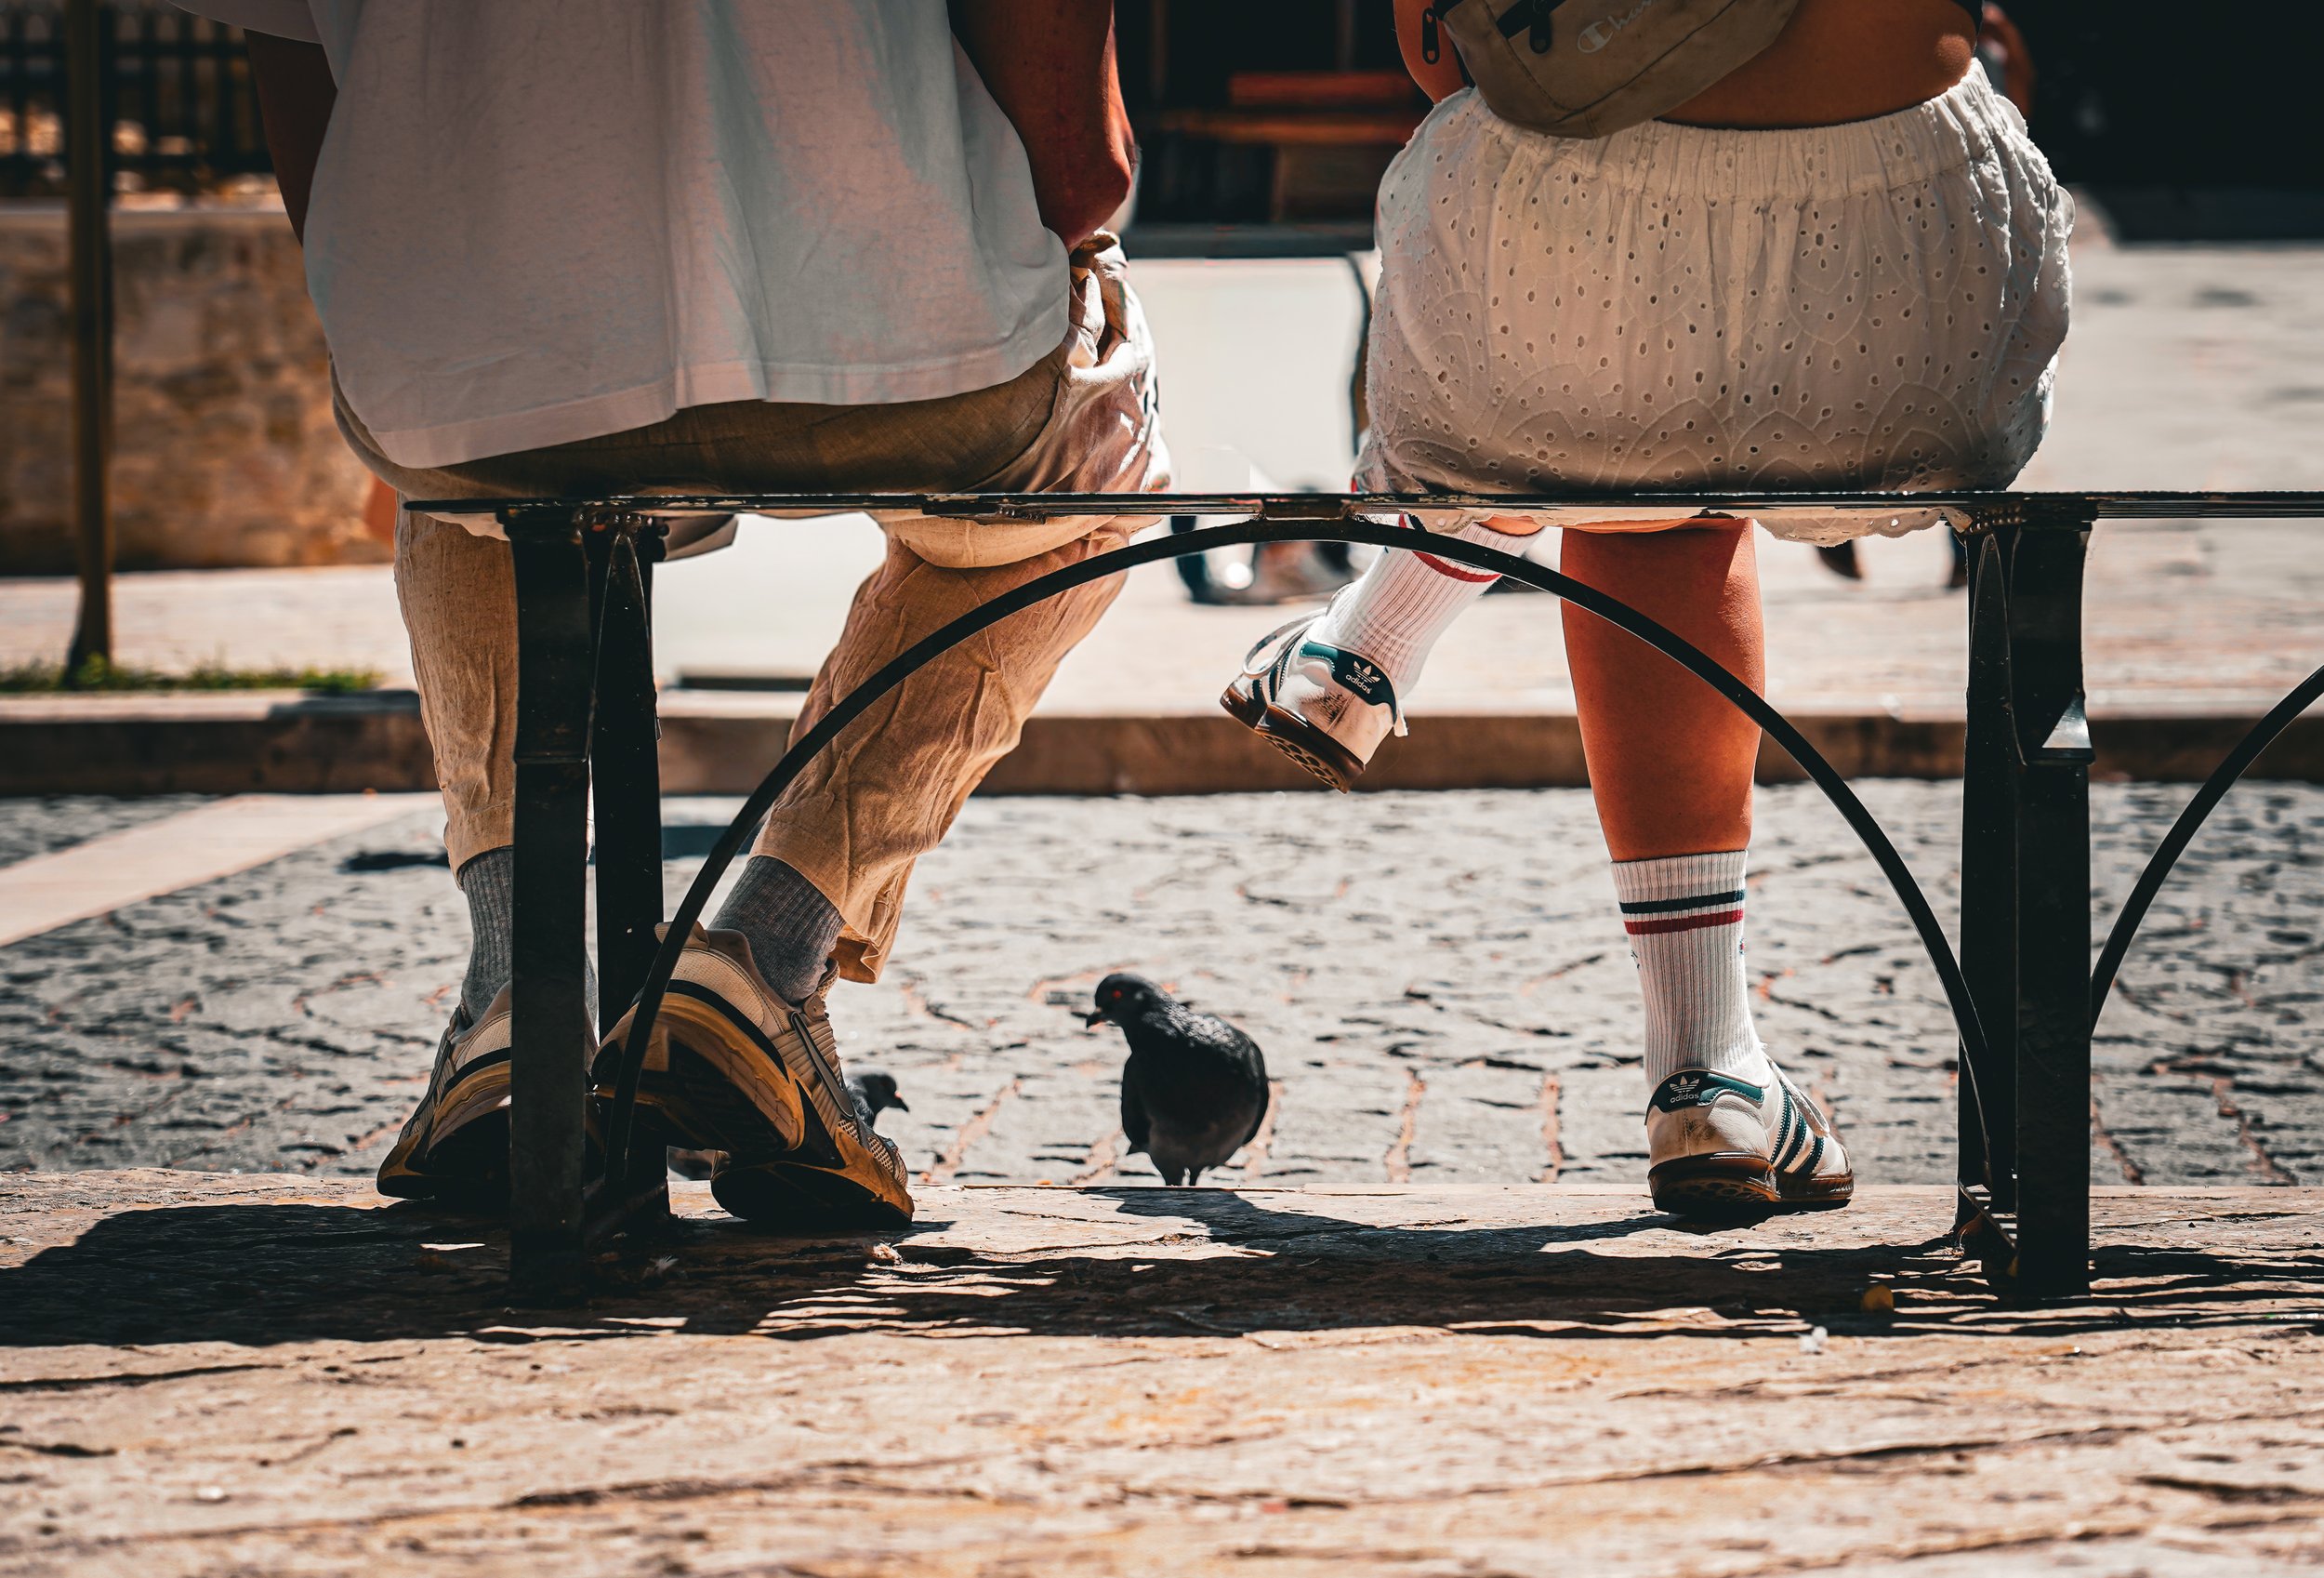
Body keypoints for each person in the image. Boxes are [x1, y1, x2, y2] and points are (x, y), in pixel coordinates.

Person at [196, 0, 1169, 1227]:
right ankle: (767, 946)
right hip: (913, 341)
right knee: (1091, 483)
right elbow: (1083, 170)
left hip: (488, 360)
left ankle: (516, 995)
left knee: (471, 426)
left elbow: (304, 109)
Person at [1222, 0, 2070, 1216]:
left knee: (1602, 404)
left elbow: (1429, 48)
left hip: (1558, 283)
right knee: (1631, 417)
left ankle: (1701, 1062)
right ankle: (1713, 1077)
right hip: (1913, 273)